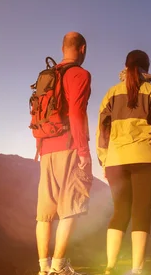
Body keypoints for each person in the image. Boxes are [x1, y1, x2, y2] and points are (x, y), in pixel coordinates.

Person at [96, 49, 151, 275]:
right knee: (141, 213)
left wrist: (104, 160)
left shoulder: (110, 94)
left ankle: (110, 267)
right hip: (146, 160)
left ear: (126, 66)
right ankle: (136, 270)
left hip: (115, 161)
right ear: (147, 69)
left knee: (120, 212)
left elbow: (102, 130)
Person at [35, 32, 93, 275]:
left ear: (62, 48)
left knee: (44, 214)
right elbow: (77, 112)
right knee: (70, 207)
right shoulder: (80, 74)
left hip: (45, 147)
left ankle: (44, 268)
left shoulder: (47, 76)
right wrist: (83, 151)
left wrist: (40, 148)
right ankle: (59, 268)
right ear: (83, 49)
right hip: (68, 146)